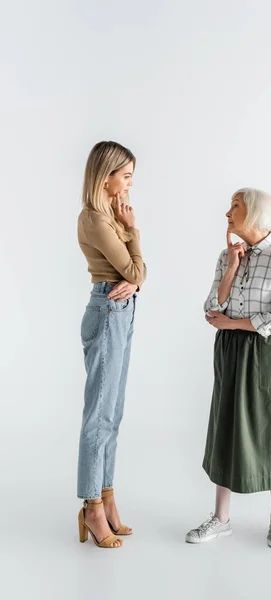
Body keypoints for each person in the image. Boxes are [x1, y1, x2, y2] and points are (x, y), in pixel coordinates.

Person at [186, 188, 271, 548]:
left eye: (235, 207)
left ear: (255, 214)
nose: (227, 214)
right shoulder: (227, 256)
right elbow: (210, 307)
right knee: (226, 424)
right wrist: (233, 267)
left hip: (268, 352)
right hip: (231, 351)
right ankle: (221, 518)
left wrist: (232, 323)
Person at [76, 141, 147, 549]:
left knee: (113, 414)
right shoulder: (95, 221)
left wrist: (135, 279)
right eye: (126, 176)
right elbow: (135, 269)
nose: (130, 185)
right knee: (98, 417)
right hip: (108, 309)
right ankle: (91, 506)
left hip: (122, 310)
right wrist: (134, 232)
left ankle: (107, 496)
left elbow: (136, 275)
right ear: (105, 179)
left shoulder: (110, 217)